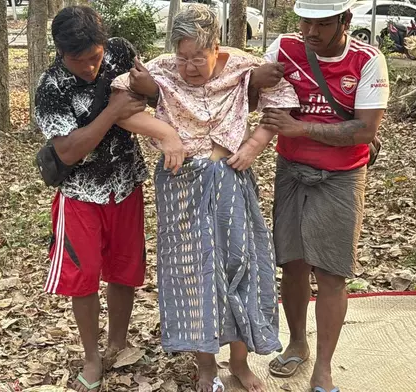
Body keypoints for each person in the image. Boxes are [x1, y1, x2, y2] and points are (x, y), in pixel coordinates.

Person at [111, 5, 300, 392]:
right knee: (195, 273)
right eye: (183, 57)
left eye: (198, 57)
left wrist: (253, 145)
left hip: (230, 177)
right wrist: (166, 134)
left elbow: (282, 104)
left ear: (216, 46)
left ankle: (241, 363)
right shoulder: (161, 68)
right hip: (181, 183)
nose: (190, 66)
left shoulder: (243, 65)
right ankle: (206, 366)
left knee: (239, 265)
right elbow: (118, 107)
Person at [34, 6, 184, 392]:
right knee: (82, 279)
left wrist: (149, 90)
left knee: (124, 269)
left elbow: (153, 96)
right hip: (81, 193)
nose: (88, 68)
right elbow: (68, 151)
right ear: (60, 52)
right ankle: (91, 355)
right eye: (78, 61)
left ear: (104, 45)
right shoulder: (51, 87)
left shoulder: (120, 51)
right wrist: (114, 109)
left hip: (126, 182)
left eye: (94, 58)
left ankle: (117, 342)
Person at [260, 1, 390, 392]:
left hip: (342, 177)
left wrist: (301, 129)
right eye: (306, 23)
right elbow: (255, 96)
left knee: (331, 272)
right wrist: (255, 79)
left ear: (345, 21)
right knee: (293, 262)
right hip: (291, 172)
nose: (311, 32)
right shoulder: (283, 48)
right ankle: (297, 343)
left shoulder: (369, 61)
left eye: (322, 24)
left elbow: (364, 131)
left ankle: (325, 367)